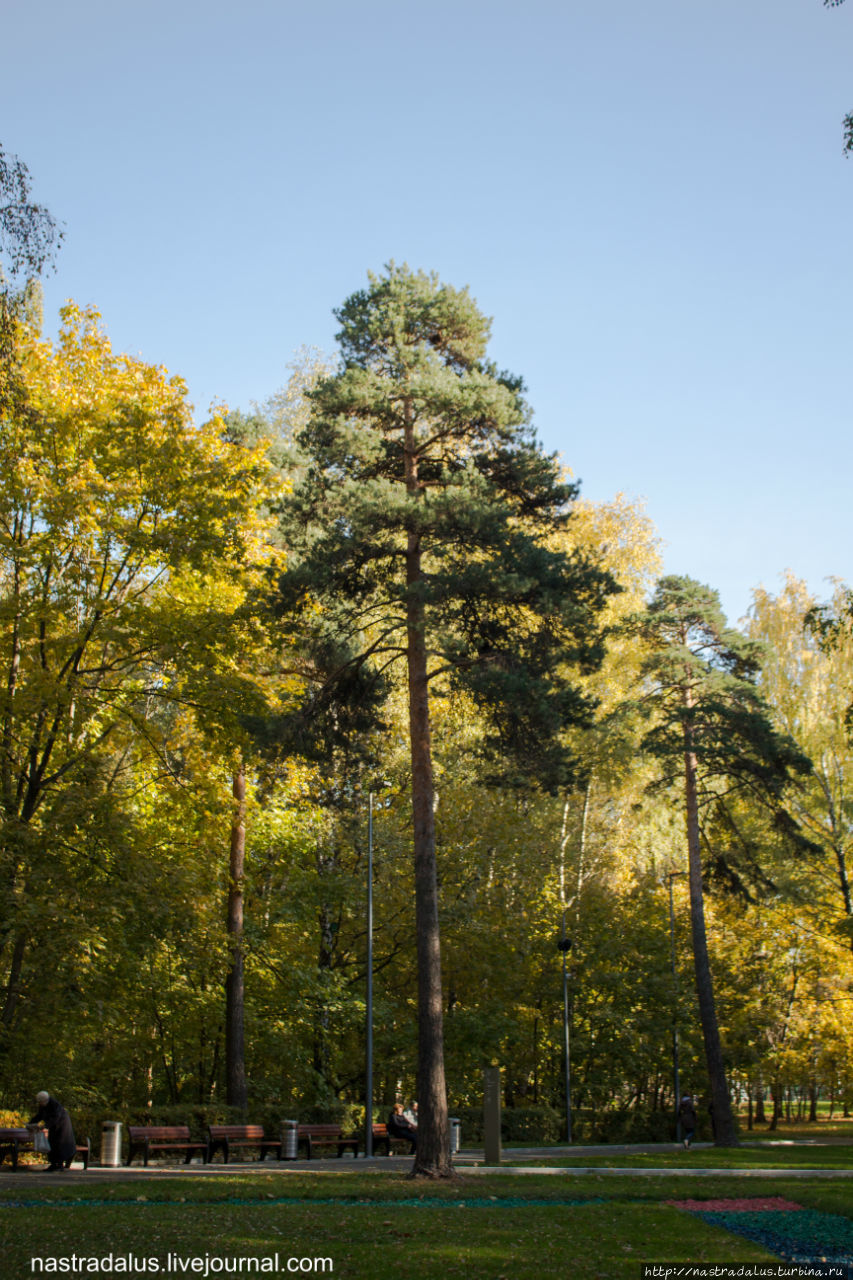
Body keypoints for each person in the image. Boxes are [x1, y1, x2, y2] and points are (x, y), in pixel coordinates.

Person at [29, 1091, 76, 1172]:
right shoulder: (43, 1105)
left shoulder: (54, 1104)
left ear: (45, 1100)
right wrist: (31, 1123)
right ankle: (53, 1164)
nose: (40, 1104)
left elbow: (56, 1117)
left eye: (41, 1102)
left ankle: (60, 1165)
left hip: (62, 1125)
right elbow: (40, 1115)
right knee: (52, 1142)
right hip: (53, 1126)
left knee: (60, 1143)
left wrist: (46, 1126)